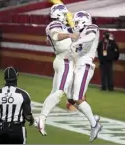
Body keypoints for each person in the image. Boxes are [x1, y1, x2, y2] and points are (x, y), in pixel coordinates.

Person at [35, 4, 79, 136]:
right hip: (64, 60)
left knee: (55, 92)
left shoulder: (63, 26)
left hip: (65, 59)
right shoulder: (54, 25)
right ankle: (42, 118)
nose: (67, 17)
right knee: (60, 92)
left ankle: (39, 118)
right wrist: (71, 35)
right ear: (59, 14)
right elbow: (55, 35)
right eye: (64, 14)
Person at [69, 11, 102, 142]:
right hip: (78, 66)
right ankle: (93, 118)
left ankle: (94, 125)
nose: (75, 24)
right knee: (71, 98)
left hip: (85, 65)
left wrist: (76, 42)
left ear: (84, 21)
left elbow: (90, 37)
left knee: (77, 97)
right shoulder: (77, 34)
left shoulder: (92, 28)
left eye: (77, 22)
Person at [0, 66, 34, 144]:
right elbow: (28, 116)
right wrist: (32, 120)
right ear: (16, 77)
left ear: (4, 78)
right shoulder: (23, 94)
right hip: (17, 129)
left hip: (2, 129)